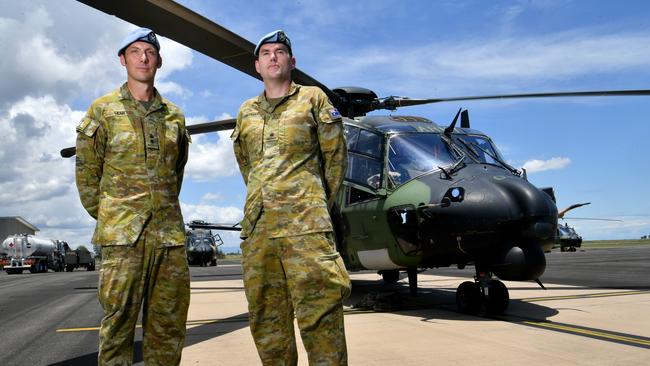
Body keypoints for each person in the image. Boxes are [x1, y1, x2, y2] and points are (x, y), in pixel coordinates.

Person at [231, 30, 351, 365]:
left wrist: (309, 204)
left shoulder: (313, 99)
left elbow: (335, 161)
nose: (273, 57)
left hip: (307, 230)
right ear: (257, 65)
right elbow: (248, 166)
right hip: (259, 233)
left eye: (280, 52)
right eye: (266, 53)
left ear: (291, 61)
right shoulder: (246, 111)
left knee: (321, 320)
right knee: (267, 323)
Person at [75, 28, 191, 366]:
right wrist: (115, 217)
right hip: (122, 240)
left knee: (168, 329)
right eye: (136, 51)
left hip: (168, 240)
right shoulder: (102, 110)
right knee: (118, 328)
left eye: (150, 52)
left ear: (159, 61)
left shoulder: (174, 115)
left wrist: (160, 212)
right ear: (122, 59)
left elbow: (176, 173)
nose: (143, 58)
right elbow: (87, 177)